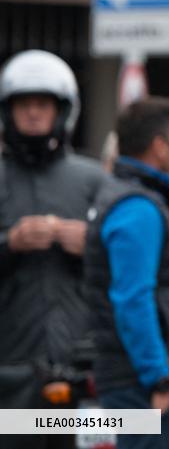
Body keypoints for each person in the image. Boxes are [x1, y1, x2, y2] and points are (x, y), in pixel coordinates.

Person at [0, 50, 109, 449]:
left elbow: (133, 264)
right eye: (23, 104)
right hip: (11, 368)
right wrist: (9, 243)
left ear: (62, 110)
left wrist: (92, 244)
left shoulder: (94, 179)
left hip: (86, 364)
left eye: (42, 104)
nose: (32, 113)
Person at [84, 97, 169, 449]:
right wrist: (158, 379)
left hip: (139, 378)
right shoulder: (137, 207)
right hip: (144, 383)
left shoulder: (136, 199)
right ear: (159, 146)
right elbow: (132, 298)